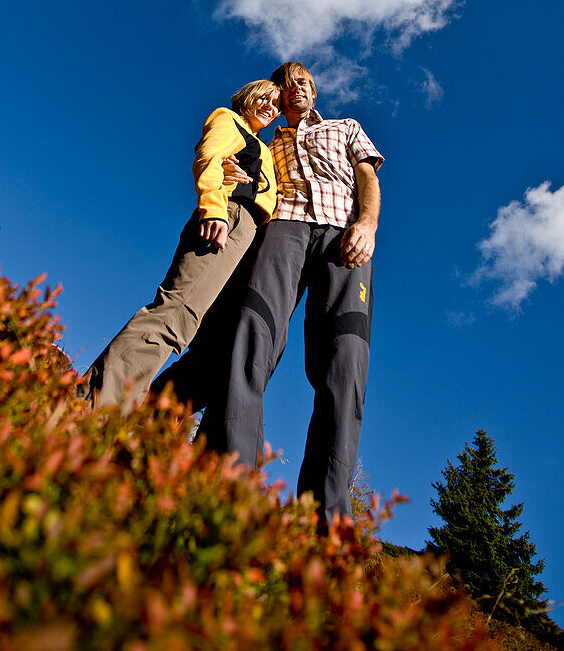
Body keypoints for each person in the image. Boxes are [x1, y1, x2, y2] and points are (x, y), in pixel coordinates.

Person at [194, 61, 383, 522]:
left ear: (314, 93)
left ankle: (325, 524)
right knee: (250, 339)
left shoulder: (346, 127)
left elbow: (368, 179)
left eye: (304, 82)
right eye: (286, 83)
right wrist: (235, 177)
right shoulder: (268, 139)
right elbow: (239, 168)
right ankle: (226, 490)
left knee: (345, 365)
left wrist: (368, 223)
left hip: (343, 238)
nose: (295, 88)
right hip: (284, 231)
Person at [83, 79, 279, 409]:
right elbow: (209, 155)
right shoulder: (229, 120)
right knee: (176, 315)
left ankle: (137, 420)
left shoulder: (261, 147)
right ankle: (94, 408)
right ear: (247, 97)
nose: (270, 107)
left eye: (276, 105)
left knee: (200, 333)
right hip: (226, 219)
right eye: (264, 98)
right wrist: (215, 210)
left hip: (244, 233)